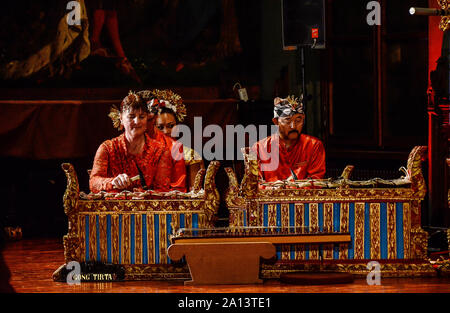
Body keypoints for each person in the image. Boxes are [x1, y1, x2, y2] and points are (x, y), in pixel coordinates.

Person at [90, 92, 171, 193]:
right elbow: (93, 182)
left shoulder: (160, 150)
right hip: (114, 207)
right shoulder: (107, 148)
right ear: (121, 118)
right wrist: (112, 182)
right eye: (131, 116)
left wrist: (142, 195)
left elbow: (162, 190)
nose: (137, 121)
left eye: (142, 117)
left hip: (147, 207)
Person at [251, 95, 326, 183]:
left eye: (298, 120)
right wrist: (275, 190)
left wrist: (290, 189)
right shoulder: (260, 148)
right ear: (276, 122)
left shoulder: (313, 145)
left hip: (302, 196)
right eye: (287, 120)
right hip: (270, 196)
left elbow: (317, 180)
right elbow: (254, 184)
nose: (293, 126)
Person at [152, 90, 205, 190]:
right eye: (160, 127)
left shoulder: (190, 155)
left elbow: (196, 193)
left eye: (170, 126)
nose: (166, 131)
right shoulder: (145, 154)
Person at [136, 89, 188, 192]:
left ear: (155, 117)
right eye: (140, 118)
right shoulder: (115, 146)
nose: (143, 124)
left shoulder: (174, 147)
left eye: (149, 119)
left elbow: (178, 190)